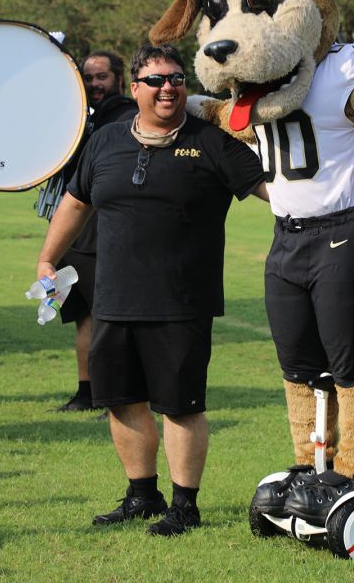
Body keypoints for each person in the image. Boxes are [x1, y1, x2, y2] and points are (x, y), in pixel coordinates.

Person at [35, 42, 267, 536]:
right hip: (114, 299)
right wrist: (47, 258)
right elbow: (76, 203)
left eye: (177, 79)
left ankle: (185, 505)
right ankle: (142, 494)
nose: (169, 87)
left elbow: (277, 191)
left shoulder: (212, 142)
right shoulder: (106, 142)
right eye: (158, 80)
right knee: (120, 399)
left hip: (182, 301)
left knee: (181, 405)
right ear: (135, 88)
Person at [54, 51, 138, 412]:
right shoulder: (78, 119)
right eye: (87, 78)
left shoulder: (130, 117)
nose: (93, 85)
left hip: (114, 235)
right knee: (83, 317)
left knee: (112, 319)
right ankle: (86, 392)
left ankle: (117, 394)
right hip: (78, 236)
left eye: (100, 77)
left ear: (119, 79)